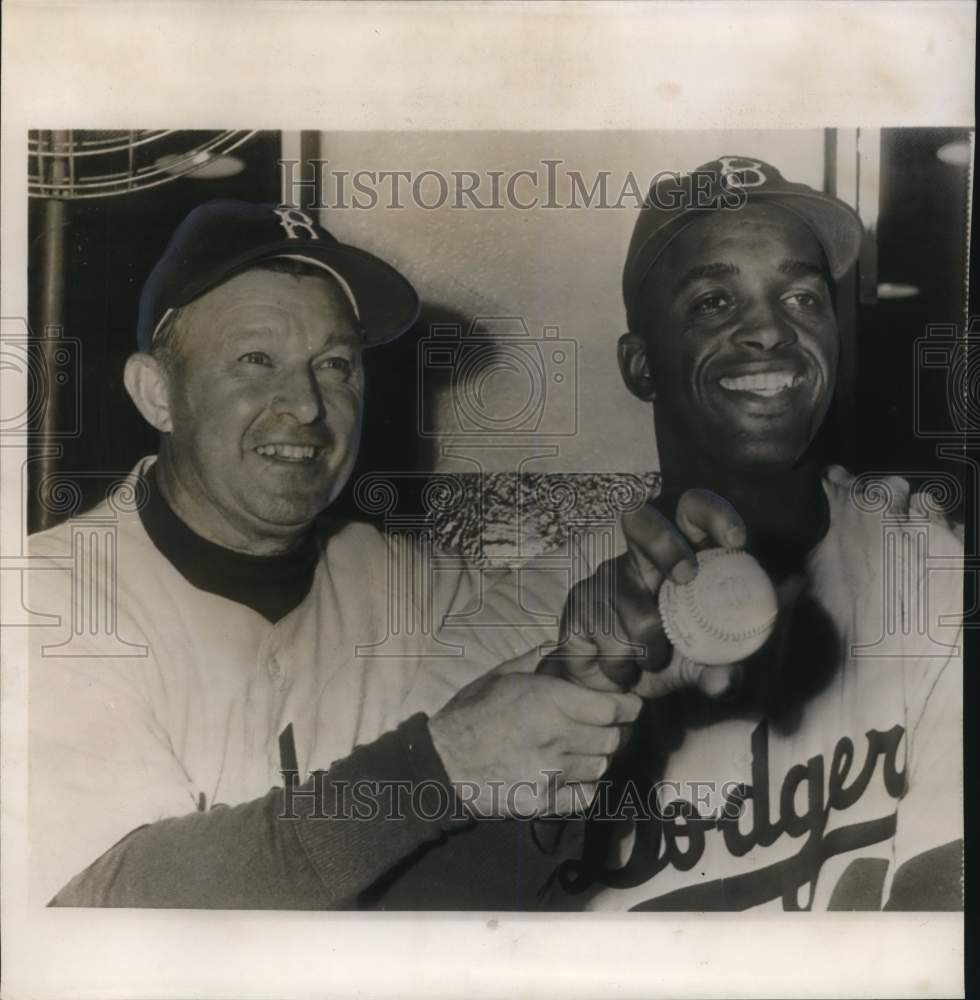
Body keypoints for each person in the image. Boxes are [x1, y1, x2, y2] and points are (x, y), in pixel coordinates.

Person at [26, 200, 645, 908]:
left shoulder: (413, 588)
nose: (307, 404)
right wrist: (443, 766)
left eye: (336, 365)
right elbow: (107, 907)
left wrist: (657, 571)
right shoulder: (50, 600)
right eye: (255, 360)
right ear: (157, 393)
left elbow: (565, 599)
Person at [538, 156, 965, 911]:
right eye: (711, 302)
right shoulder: (538, 614)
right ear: (641, 366)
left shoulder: (925, 563)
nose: (770, 328)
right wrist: (561, 705)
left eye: (802, 295)